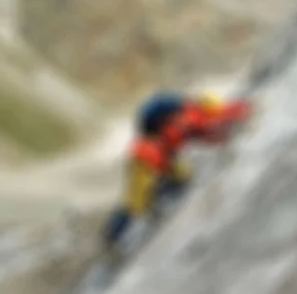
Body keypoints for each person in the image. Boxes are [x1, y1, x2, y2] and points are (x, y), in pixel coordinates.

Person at [102, 90, 252, 256]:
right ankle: (113, 238)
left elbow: (198, 134)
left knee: (182, 178)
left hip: (160, 156)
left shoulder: (185, 113)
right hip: (147, 159)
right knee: (135, 203)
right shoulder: (189, 117)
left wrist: (223, 135)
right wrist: (225, 134)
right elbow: (201, 134)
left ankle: (157, 203)